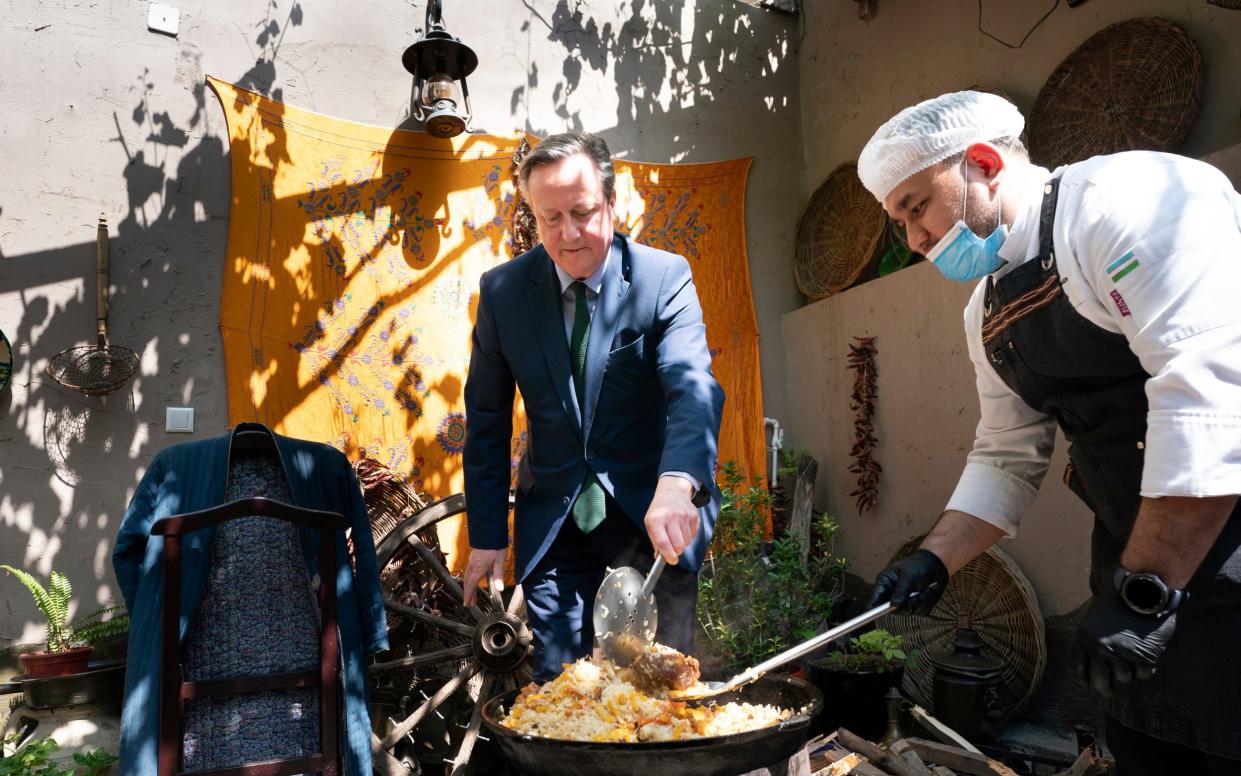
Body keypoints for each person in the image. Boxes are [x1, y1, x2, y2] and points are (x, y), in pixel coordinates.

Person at [858, 91, 1241, 774]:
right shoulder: (985, 306)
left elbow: (1210, 398)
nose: (912, 239)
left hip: (1214, 545)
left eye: (915, 205)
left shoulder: (1125, 202)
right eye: (900, 220)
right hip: (1131, 555)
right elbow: (1006, 452)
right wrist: (935, 557)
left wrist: (1142, 591)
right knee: (1151, 750)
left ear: (981, 163)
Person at [460, 131, 724, 681]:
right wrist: (488, 533)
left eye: (582, 212)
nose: (568, 234)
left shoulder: (662, 278)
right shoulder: (503, 293)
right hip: (555, 528)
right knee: (565, 693)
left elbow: (691, 385)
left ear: (611, 202)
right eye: (549, 218)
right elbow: (486, 419)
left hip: (651, 524)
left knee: (657, 694)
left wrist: (678, 484)